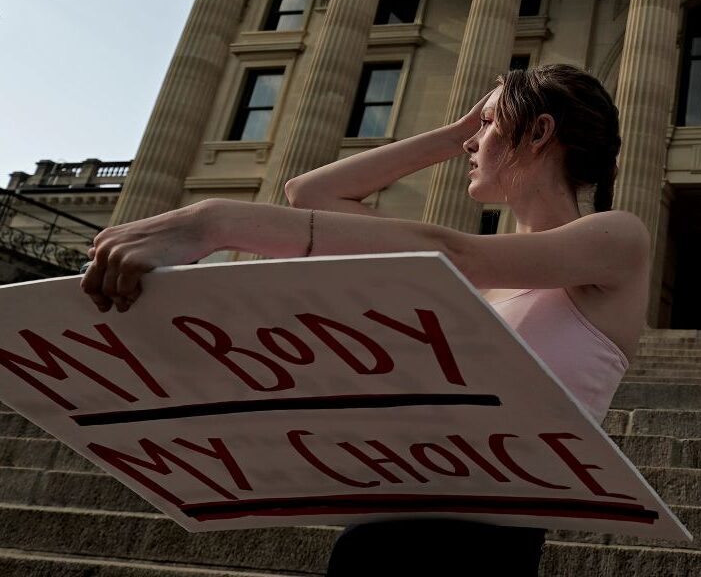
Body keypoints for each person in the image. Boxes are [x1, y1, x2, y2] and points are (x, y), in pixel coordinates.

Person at [80, 64, 649, 575]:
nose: (473, 141)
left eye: (486, 125)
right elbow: (308, 193)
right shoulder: (471, 261)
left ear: (541, 133)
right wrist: (454, 134)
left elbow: (457, 253)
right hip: (378, 531)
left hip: (486, 547)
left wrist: (210, 222)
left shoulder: (616, 239)